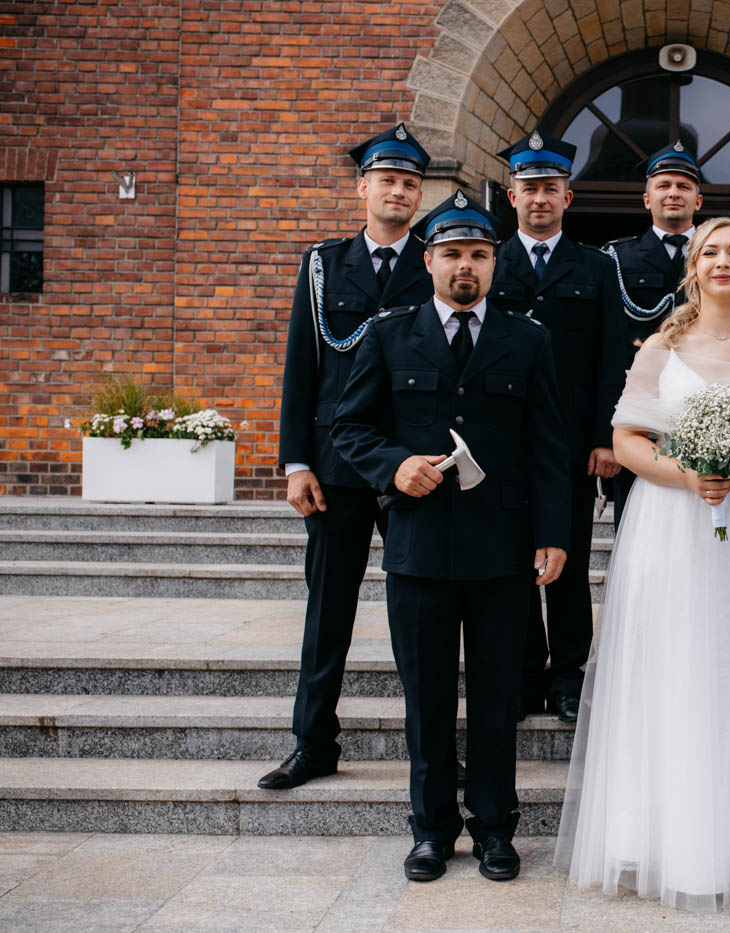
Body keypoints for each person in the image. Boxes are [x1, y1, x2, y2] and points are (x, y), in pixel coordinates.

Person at [555, 217, 730, 913]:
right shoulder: (661, 348)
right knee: (671, 669)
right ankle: (662, 839)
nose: (722, 261)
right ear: (692, 266)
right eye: (710, 251)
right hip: (669, 525)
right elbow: (625, 439)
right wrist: (687, 474)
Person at [332, 191, 571, 883]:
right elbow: (350, 427)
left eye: (479, 255)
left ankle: (495, 828)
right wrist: (393, 465)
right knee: (428, 701)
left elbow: (547, 446)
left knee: (497, 701)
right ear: (429, 260)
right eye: (452, 254)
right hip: (420, 549)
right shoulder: (389, 335)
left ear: (495, 263)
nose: (466, 265)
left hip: (503, 551)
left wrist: (554, 533)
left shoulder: (528, 339)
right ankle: (431, 830)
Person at [263, 123, 434, 791]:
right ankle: (313, 742)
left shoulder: (435, 261)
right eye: (387, 180)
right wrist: (295, 462)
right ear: (363, 188)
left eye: (410, 183)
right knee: (328, 610)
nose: (399, 191)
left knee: (417, 615)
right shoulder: (323, 265)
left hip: (411, 467)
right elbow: (300, 367)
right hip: (335, 466)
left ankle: (430, 749)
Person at [489, 130, 618, 724]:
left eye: (550, 188)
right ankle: (522, 676)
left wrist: (604, 437)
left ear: (568, 197)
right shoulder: (490, 260)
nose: (539, 198)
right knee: (512, 564)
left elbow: (610, 357)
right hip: (504, 442)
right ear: (511, 196)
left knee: (568, 564)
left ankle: (568, 676)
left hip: (569, 445)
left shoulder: (596, 267)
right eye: (529, 188)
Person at [597, 141, 703, 528]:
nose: (673, 193)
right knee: (637, 526)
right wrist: (605, 433)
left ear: (698, 200)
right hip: (641, 418)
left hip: (704, 412)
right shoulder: (616, 257)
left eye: (683, 186)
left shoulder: (718, 254)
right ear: (647, 199)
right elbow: (607, 350)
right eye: (663, 185)